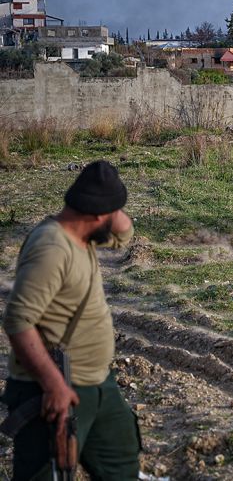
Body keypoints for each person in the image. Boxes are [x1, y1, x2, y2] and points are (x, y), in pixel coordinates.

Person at [2, 160, 141, 480]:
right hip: (54, 386)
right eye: (108, 211)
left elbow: (122, 233)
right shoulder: (51, 247)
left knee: (121, 463)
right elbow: (19, 321)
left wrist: (110, 196)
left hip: (97, 382)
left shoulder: (83, 233)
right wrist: (54, 385)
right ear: (94, 215)